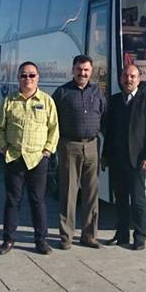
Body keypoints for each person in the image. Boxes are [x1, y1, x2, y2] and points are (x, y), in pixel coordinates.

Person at [0, 61, 59, 255]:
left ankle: (41, 240)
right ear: (18, 78)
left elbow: (54, 128)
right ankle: (8, 239)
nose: (27, 78)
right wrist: (4, 147)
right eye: (23, 75)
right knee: (12, 200)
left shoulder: (46, 101)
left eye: (31, 75)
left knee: (37, 200)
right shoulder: (10, 101)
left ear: (38, 78)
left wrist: (47, 151)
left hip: (37, 159)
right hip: (14, 157)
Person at [52, 55, 106, 250]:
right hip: (69, 146)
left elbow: (104, 117)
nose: (82, 73)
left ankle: (89, 236)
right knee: (69, 192)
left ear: (91, 72)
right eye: (79, 69)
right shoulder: (62, 92)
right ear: (72, 70)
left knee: (91, 192)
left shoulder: (97, 92)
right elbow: (53, 120)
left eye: (86, 70)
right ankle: (66, 236)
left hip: (92, 145)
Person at [104, 64, 146, 251]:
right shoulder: (114, 100)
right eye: (126, 76)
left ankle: (140, 237)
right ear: (121, 78)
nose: (128, 80)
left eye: (132, 76)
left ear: (139, 79)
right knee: (120, 200)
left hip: (137, 160)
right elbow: (109, 131)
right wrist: (105, 155)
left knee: (137, 200)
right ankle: (121, 235)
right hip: (117, 159)